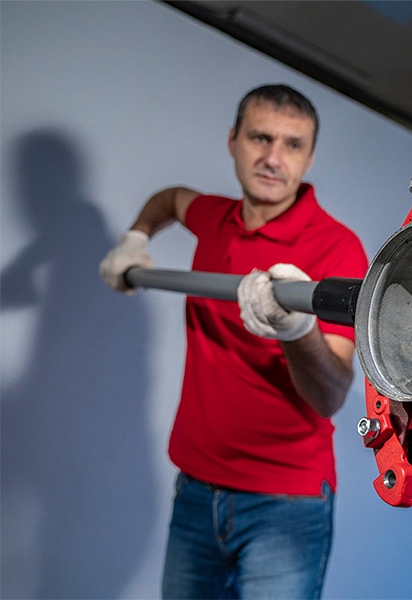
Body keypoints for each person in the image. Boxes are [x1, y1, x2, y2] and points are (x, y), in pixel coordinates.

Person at [99, 84, 368, 599]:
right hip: (195, 488)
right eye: (260, 138)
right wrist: (136, 238)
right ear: (233, 141)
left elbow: (331, 394)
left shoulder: (337, 248)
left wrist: (297, 330)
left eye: (292, 144)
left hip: (285, 504)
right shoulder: (215, 219)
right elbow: (171, 198)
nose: (273, 158)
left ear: (309, 157)